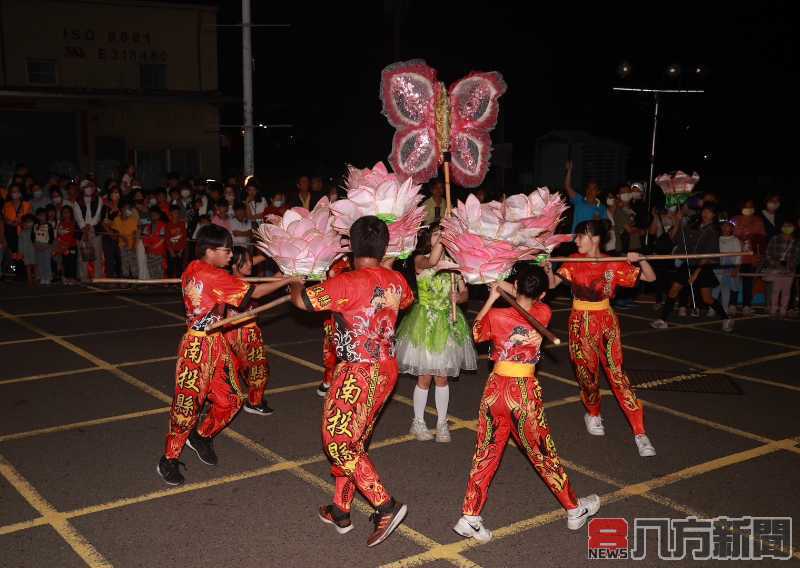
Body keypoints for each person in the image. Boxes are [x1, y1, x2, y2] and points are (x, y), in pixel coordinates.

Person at [289, 215, 413, 547]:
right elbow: (407, 300)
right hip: (386, 370)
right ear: (385, 246)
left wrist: (295, 279)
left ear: (350, 246)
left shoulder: (346, 282)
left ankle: (385, 505)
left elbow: (303, 302)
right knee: (354, 442)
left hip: (357, 371)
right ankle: (340, 509)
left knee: (337, 442)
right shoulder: (397, 281)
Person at [454, 266, 601, 544]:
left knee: (486, 452)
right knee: (542, 453)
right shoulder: (544, 314)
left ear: (517, 284)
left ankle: (470, 515)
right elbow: (530, 296)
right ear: (543, 293)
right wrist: (508, 289)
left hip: (495, 390)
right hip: (523, 393)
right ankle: (573, 508)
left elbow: (475, 333)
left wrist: (491, 297)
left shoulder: (497, 316)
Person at [158, 224, 295, 485]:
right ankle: (169, 458)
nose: (231, 256)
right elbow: (252, 293)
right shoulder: (211, 275)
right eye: (227, 251)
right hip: (197, 348)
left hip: (216, 344)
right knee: (187, 406)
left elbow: (239, 288)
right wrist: (290, 279)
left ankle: (202, 436)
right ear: (210, 251)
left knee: (231, 400)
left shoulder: (194, 268)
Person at [547, 220, 658, 457]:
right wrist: (547, 264)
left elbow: (650, 278)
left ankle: (640, 432)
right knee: (587, 376)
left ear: (594, 238)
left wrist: (640, 259)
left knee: (617, 375)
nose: (576, 241)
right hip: (580, 322)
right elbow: (551, 284)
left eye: (580, 236)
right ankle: (593, 413)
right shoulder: (574, 261)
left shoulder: (614, 263)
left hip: (606, 321)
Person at [396, 226, 476, 442]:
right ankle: (418, 421)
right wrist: (445, 238)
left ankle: (442, 423)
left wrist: (457, 298)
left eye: (442, 234)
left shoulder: (454, 264)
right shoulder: (420, 259)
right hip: (425, 322)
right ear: (427, 238)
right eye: (435, 234)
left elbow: (464, 293)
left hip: (448, 322)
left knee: (442, 377)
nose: (439, 238)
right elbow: (432, 262)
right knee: (425, 377)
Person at [652, 204, 735, 331]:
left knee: (707, 298)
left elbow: (707, 255)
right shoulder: (693, 225)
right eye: (704, 211)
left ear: (714, 215)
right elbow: (675, 238)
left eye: (709, 212)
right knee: (674, 289)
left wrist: (695, 274)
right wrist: (677, 221)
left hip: (702, 266)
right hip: (688, 264)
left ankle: (726, 318)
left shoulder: (713, 231)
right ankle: (663, 320)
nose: (705, 214)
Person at [225, 246, 274, 415]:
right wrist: (284, 278)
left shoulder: (231, 276)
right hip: (243, 333)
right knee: (258, 369)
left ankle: (223, 401)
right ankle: (254, 402)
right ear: (234, 264)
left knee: (235, 368)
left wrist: (275, 252)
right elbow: (259, 293)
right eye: (245, 262)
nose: (250, 264)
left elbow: (256, 260)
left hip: (234, 331)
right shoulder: (237, 283)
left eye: (249, 260)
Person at [316, 254, 352, 397]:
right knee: (331, 349)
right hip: (335, 314)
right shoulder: (332, 260)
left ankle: (345, 384)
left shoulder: (356, 260)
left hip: (353, 313)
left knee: (351, 352)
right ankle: (328, 381)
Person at [732, 199, 767, 315]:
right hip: (735, 257)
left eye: (751, 206)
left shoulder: (758, 221)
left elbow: (761, 242)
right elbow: (727, 233)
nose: (748, 208)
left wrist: (758, 257)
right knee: (734, 281)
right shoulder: (734, 220)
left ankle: (746, 305)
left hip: (750, 258)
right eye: (746, 206)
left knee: (748, 282)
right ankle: (732, 304)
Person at [763, 221, 798, 318]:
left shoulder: (796, 241)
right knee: (775, 290)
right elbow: (768, 253)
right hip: (776, 269)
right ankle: (773, 309)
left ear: (793, 228)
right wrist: (776, 264)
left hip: (789, 270)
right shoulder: (775, 239)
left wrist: (789, 266)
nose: (787, 228)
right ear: (781, 227)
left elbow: (797, 257)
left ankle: (783, 310)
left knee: (786, 292)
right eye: (785, 226)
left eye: (789, 226)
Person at [73, 180, 105, 280]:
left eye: (90, 186)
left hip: (94, 230)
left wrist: (89, 227)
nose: (89, 188)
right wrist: (84, 228)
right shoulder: (77, 201)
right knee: (83, 256)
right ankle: (84, 277)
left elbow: (97, 216)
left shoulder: (98, 199)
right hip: (82, 231)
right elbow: (78, 217)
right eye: (86, 187)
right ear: (82, 189)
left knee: (97, 255)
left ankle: (97, 277)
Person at [564, 161, 606, 232]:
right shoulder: (579, 200)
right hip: (576, 240)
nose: (590, 191)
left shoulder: (602, 207)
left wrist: (598, 222)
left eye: (593, 189)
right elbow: (567, 186)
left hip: (591, 241)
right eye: (589, 188)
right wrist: (569, 170)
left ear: (598, 192)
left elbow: (604, 227)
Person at [714, 219, 743, 317]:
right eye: (724, 226)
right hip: (717, 267)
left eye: (728, 226)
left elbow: (739, 256)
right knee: (715, 288)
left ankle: (725, 309)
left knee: (725, 289)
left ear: (731, 228)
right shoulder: (716, 239)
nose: (726, 228)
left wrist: (736, 269)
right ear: (721, 227)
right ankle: (713, 308)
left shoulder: (735, 240)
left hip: (729, 267)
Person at [111, 200, 140, 279]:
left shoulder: (133, 220)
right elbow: (115, 232)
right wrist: (122, 238)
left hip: (132, 245)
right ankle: (125, 280)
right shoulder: (116, 220)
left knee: (133, 263)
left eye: (130, 209)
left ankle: (135, 280)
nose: (129, 211)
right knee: (124, 263)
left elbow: (135, 234)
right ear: (121, 209)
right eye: (127, 208)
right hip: (122, 246)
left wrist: (133, 246)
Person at [142, 206, 167, 279]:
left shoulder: (163, 225)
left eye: (155, 214)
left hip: (160, 253)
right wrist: (147, 247)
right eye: (152, 214)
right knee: (151, 270)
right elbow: (144, 239)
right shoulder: (147, 227)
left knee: (160, 272)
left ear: (159, 215)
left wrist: (154, 247)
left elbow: (163, 239)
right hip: (150, 253)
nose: (153, 216)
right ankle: (154, 287)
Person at [56, 206, 79, 284]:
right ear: (61, 214)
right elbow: (58, 235)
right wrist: (61, 245)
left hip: (71, 246)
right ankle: (66, 277)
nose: (66, 214)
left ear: (71, 213)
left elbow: (72, 235)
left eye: (67, 212)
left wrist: (67, 245)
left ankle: (72, 278)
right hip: (63, 247)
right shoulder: (60, 223)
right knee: (65, 262)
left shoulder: (73, 223)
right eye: (64, 212)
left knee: (72, 262)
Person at [32, 208, 55, 285]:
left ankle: (48, 277)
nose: (41, 217)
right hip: (37, 246)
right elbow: (32, 236)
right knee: (40, 263)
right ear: (37, 216)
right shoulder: (35, 225)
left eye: (43, 215)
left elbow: (51, 237)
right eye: (40, 215)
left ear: (46, 216)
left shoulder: (49, 225)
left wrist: (47, 246)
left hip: (46, 247)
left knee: (46, 263)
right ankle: (42, 277)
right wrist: (35, 245)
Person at [166, 205, 188, 277]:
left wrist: (181, 251)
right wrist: (171, 251)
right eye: (174, 212)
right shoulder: (168, 225)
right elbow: (167, 239)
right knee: (170, 268)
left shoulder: (182, 224)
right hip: (171, 250)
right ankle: (170, 284)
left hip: (180, 250)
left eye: (178, 213)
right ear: (171, 214)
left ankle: (179, 283)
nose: (176, 214)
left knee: (180, 268)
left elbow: (184, 238)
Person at [18, 214, 36, 285]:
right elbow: (20, 244)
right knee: (28, 266)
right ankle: (29, 280)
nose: (28, 223)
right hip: (26, 252)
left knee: (35, 265)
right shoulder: (22, 233)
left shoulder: (35, 231)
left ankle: (36, 278)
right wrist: (20, 253)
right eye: (26, 222)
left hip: (34, 251)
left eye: (30, 222)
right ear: (23, 223)